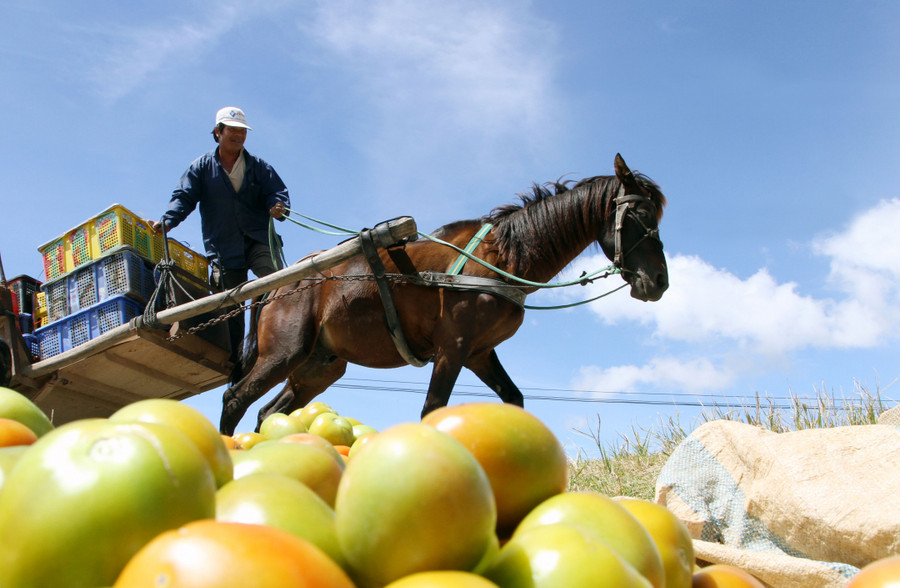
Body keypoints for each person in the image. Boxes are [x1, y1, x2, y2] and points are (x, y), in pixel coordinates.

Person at [149, 106, 290, 363]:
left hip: (257, 238)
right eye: (232, 131)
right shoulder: (201, 168)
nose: (238, 136)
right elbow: (184, 197)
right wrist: (168, 221)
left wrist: (279, 207)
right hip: (224, 249)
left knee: (279, 282)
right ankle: (238, 361)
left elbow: (277, 192)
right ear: (218, 132)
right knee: (230, 308)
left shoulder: (258, 167)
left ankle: (272, 342)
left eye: (242, 132)